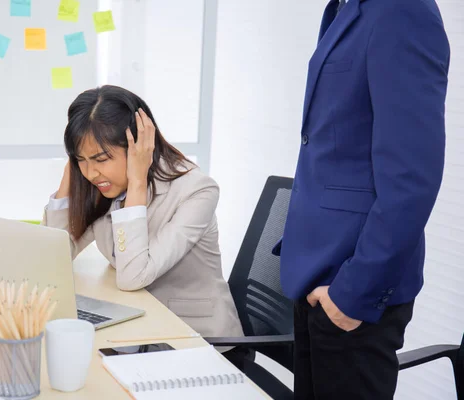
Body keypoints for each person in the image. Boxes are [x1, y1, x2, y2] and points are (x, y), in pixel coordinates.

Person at [274, 0, 450, 398]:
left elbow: (411, 178)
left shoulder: (402, 10)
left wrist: (352, 296)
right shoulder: (345, 7)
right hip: (316, 274)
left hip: (353, 286)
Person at [42, 85, 244, 353]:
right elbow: (52, 259)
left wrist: (137, 181)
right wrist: (69, 181)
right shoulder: (101, 184)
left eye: (101, 159)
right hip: (140, 332)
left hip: (198, 344)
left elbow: (133, 276)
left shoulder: (197, 191)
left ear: (139, 146)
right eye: (81, 159)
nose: (91, 172)